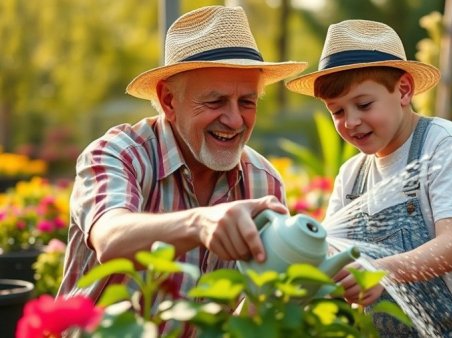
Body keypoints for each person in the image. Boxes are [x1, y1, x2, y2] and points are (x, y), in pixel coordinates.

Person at [57, 5, 306, 336]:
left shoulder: (265, 182)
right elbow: (110, 236)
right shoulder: (119, 154)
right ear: (169, 101)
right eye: (215, 102)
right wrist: (201, 223)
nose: (234, 120)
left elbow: (259, 302)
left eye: (247, 102)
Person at [285, 19, 452, 337]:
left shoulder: (444, 146)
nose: (351, 121)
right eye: (337, 111)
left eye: (363, 104)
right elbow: (330, 254)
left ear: (404, 90)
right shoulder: (352, 177)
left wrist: (375, 271)